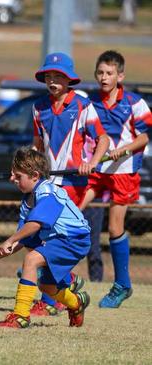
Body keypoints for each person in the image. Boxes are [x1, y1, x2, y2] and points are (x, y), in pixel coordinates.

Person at [29, 52, 110, 316]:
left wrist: (93, 162)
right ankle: (67, 285)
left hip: (72, 183)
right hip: (47, 183)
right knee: (45, 238)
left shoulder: (83, 106)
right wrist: (28, 168)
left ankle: (50, 300)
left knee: (51, 238)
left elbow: (103, 139)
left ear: (69, 79)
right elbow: (37, 145)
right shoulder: (38, 107)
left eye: (58, 76)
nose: (53, 81)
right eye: (49, 76)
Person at [0, 147, 91, 329]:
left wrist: (8, 241)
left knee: (31, 260)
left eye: (18, 176)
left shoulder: (47, 192)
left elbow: (35, 225)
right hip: (58, 240)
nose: (12, 179)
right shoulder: (27, 200)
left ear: (34, 175)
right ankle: (76, 303)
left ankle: (20, 317)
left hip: (74, 239)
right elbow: (23, 237)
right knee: (47, 287)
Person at [78, 50, 152, 308]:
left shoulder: (134, 103)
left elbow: (144, 137)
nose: (104, 77)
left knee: (114, 228)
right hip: (97, 170)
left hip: (123, 171)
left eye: (109, 73)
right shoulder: (89, 103)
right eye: (100, 72)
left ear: (120, 76)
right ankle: (53, 272)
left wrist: (125, 149)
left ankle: (122, 285)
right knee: (72, 213)